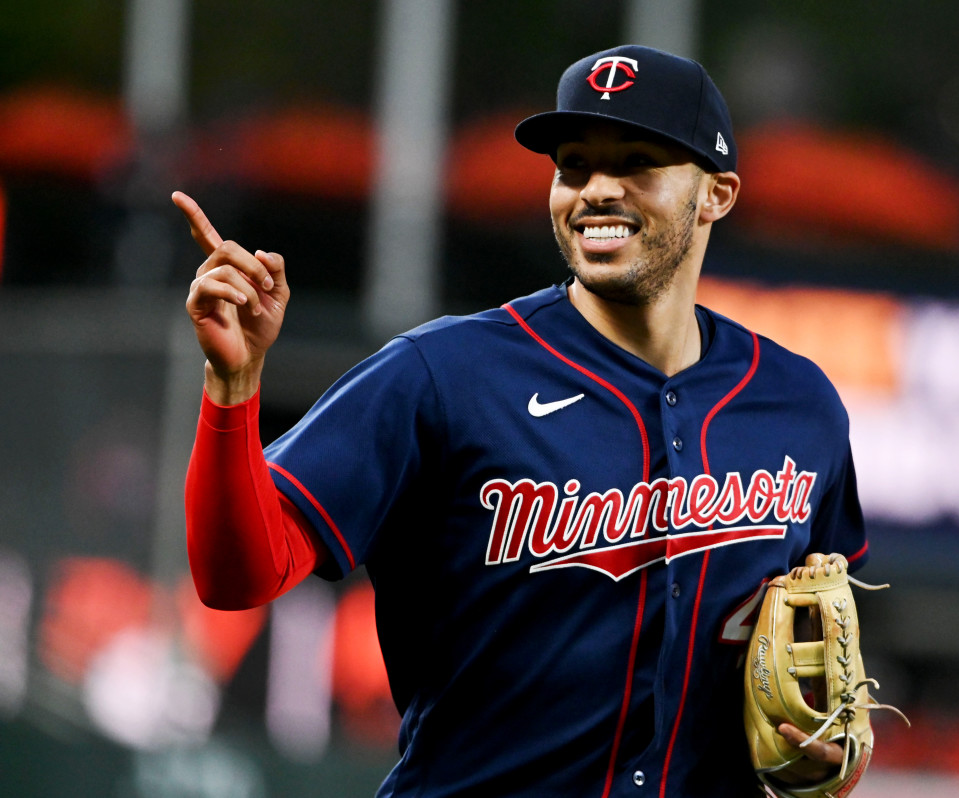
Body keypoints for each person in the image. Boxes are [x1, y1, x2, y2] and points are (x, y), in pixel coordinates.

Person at [176, 44, 869, 797]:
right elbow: (236, 576)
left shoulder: (797, 407)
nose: (597, 190)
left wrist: (821, 756)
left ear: (717, 194)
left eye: (636, 162)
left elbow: (824, 651)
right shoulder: (443, 375)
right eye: (574, 165)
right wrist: (232, 386)